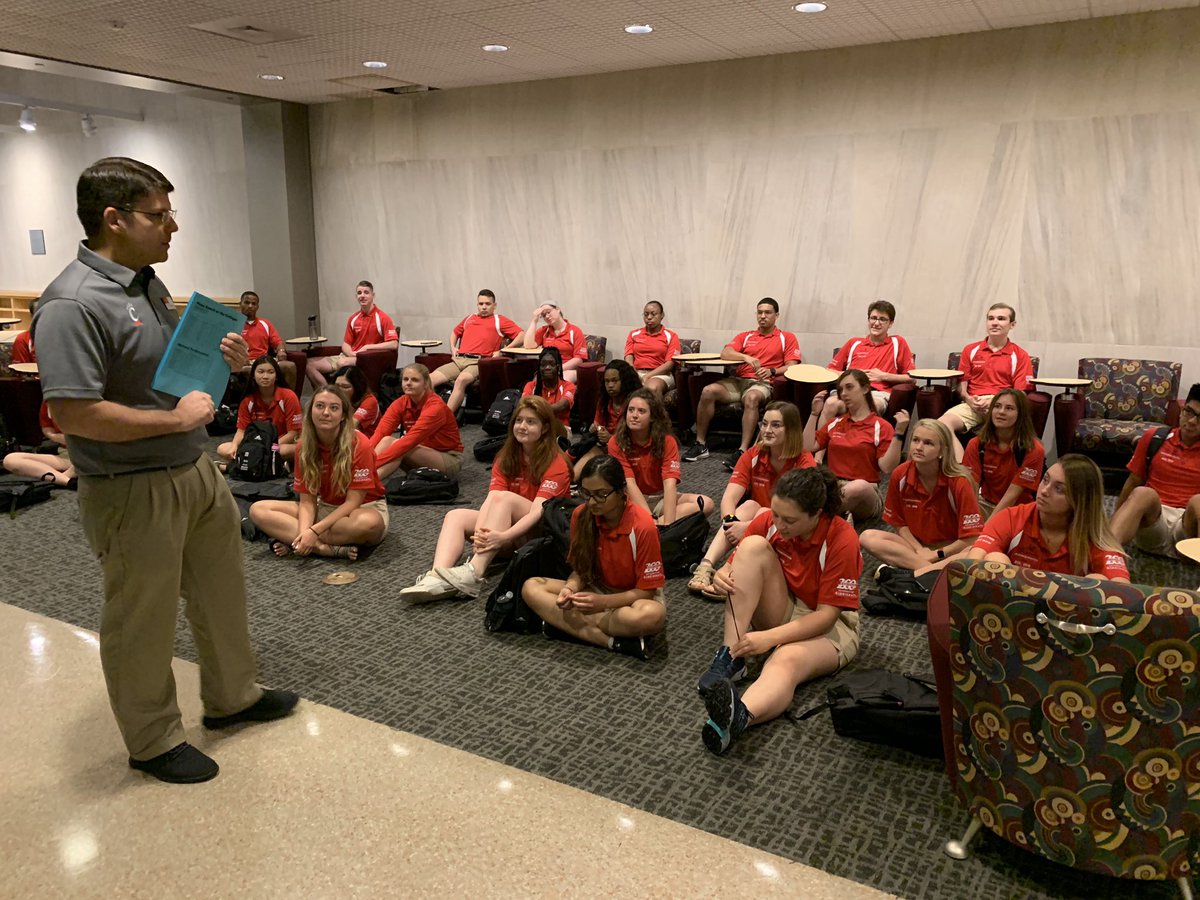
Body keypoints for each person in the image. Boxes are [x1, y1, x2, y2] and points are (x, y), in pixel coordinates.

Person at [32, 156, 296, 785]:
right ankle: (151, 739)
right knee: (141, 615)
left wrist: (224, 362)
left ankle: (233, 697)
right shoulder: (71, 303)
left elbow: (170, 379)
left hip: (193, 467)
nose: (173, 225)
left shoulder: (146, 283)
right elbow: (75, 414)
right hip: (131, 486)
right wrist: (176, 423)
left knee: (221, 591)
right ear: (113, 219)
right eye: (159, 214)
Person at [696, 466, 862, 755]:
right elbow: (737, 565)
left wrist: (769, 638)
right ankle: (731, 656)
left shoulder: (842, 538)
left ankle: (739, 718)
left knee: (785, 658)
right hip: (787, 603)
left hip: (832, 624)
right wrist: (724, 572)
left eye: (790, 520)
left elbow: (826, 616)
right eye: (775, 514)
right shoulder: (770, 520)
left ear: (817, 514)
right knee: (752, 546)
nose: (779, 524)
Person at [400, 396, 571, 603]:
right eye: (519, 420)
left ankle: (474, 571)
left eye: (531, 422)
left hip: (542, 535)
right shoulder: (506, 456)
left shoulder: (556, 462)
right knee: (456, 515)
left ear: (544, 428)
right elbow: (490, 500)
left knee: (505, 499)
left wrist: (503, 537)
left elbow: (538, 512)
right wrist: (482, 535)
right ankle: (437, 576)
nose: (522, 426)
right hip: (507, 530)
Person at [521, 455, 667, 660]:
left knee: (652, 615)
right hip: (595, 589)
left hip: (632, 597)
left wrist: (602, 602)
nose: (591, 502)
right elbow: (581, 570)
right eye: (586, 493)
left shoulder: (643, 526)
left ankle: (568, 626)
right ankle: (612, 641)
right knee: (531, 587)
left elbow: (647, 592)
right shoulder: (581, 515)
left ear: (621, 491)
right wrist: (569, 588)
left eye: (601, 494)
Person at [688, 401, 816, 597]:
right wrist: (731, 523)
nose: (767, 430)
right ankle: (706, 565)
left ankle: (733, 575)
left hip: (787, 529)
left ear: (790, 429)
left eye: (776, 425)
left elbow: (798, 515)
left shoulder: (804, 461)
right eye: (764, 424)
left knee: (764, 511)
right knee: (749, 505)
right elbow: (729, 497)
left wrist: (748, 527)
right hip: (756, 520)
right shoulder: (753, 455)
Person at [250, 385, 388, 560]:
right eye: (320, 406)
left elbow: (353, 502)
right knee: (258, 509)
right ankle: (322, 549)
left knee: (369, 524)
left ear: (344, 416)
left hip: (361, 508)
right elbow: (307, 501)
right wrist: (305, 532)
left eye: (334, 408)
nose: (326, 413)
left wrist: (313, 530)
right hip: (325, 507)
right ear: (310, 411)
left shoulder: (360, 443)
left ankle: (295, 540)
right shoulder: (303, 446)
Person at [966, 455, 1130, 582]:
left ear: (1079, 500)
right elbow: (974, 560)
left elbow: (1123, 591)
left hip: (1064, 615)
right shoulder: (1012, 517)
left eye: (1059, 489)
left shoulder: (1095, 536)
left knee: (1098, 581)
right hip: (1014, 606)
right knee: (994, 559)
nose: (1044, 491)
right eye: (1045, 480)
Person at [682, 298, 801, 471]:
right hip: (738, 382)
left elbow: (792, 365)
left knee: (751, 398)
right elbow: (726, 353)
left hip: (763, 383)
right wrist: (745, 357)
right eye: (759, 312)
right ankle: (700, 444)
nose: (762, 316)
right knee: (708, 390)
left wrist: (772, 371)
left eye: (767, 313)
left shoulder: (786, 338)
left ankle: (742, 450)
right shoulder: (746, 337)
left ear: (776, 315)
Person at [860, 419, 983, 576]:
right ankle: (933, 574)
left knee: (975, 553)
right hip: (915, 546)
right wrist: (920, 550)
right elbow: (899, 523)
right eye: (915, 440)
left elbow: (972, 537)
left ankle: (913, 574)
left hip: (951, 549)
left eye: (928, 443)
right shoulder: (900, 474)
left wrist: (938, 554)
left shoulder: (959, 481)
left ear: (942, 451)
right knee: (867, 537)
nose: (918, 447)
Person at [1109, 383, 1200, 556]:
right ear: (1182, 409)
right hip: (1154, 521)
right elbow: (1133, 481)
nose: (1192, 421)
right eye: (1189, 411)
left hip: (1188, 528)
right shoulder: (1156, 438)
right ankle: (1105, 555)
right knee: (1142, 493)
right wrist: (1117, 520)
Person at [806, 369, 907, 525]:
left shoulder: (881, 426)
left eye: (849, 387)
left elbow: (887, 467)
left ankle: (815, 517)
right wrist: (814, 414)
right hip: (834, 486)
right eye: (840, 389)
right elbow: (808, 446)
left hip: (866, 493)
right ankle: (834, 518)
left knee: (858, 487)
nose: (843, 393)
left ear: (866, 389)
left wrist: (899, 434)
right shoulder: (836, 422)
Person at [938, 303, 1034, 459]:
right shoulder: (971, 350)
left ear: (1012, 324)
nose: (994, 322)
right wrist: (969, 400)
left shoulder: (1020, 355)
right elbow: (962, 386)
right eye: (991, 318)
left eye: (1001, 319)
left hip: (1001, 407)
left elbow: (1020, 393)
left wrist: (994, 401)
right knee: (941, 425)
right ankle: (962, 471)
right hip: (973, 405)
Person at [608, 388, 711, 524]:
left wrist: (669, 525)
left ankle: (659, 527)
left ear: (652, 417)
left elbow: (669, 484)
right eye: (631, 410)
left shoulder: (667, 441)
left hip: (659, 498)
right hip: (630, 501)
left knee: (706, 503)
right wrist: (649, 520)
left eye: (641, 411)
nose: (634, 415)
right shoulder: (616, 442)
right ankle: (652, 525)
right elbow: (629, 484)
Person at [818, 300, 915, 428]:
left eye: (882, 319)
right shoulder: (854, 343)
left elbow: (912, 378)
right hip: (848, 391)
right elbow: (829, 370)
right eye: (873, 318)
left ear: (890, 323)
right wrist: (853, 376)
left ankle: (862, 446)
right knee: (830, 404)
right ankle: (819, 447)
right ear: (868, 320)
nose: (876, 323)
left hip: (877, 393)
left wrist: (883, 376)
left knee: (872, 406)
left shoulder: (898, 343)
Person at [432, 289, 524, 413]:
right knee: (428, 380)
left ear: (494, 305)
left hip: (477, 362)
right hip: (458, 360)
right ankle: (432, 412)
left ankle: (445, 417)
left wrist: (503, 350)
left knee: (461, 380)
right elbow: (455, 332)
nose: (484, 307)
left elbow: (521, 335)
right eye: (481, 304)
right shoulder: (469, 318)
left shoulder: (499, 320)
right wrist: (453, 347)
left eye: (487, 304)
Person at [962, 389, 1045, 519]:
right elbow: (971, 488)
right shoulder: (977, 444)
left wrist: (987, 529)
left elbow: (1011, 497)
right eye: (997, 406)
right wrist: (973, 521)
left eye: (1009, 408)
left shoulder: (1034, 449)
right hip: (984, 503)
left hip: (1017, 509)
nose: (1001, 412)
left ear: (1021, 415)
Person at [371, 363, 464, 480]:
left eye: (414, 380)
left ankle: (366, 485)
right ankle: (363, 482)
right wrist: (360, 465)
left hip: (448, 458)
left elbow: (408, 442)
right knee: (386, 440)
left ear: (425, 384)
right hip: (419, 452)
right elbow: (380, 433)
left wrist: (370, 467)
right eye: (405, 379)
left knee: (398, 446)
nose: (408, 383)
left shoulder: (436, 407)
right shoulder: (400, 403)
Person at [306, 281, 399, 388]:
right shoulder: (353, 318)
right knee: (309, 365)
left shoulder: (382, 317)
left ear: (373, 295)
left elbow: (393, 344)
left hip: (368, 359)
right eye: (359, 293)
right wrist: (351, 354)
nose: (362, 296)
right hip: (350, 356)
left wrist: (367, 348)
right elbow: (346, 344)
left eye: (366, 292)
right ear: (356, 296)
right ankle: (328, 393)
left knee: (342, 363)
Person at [216, 355, 301, 464]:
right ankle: (267, 463)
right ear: (253, 376)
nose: (265, 376)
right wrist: (234, 445)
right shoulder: (247, 401)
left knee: (294, 449)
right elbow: (241, 431)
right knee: (223, 449)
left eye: (270, 372)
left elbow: (293, 433)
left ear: (277, 376)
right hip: (256, 444)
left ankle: (244, 463)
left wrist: (267, 446)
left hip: (279, 444)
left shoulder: (289, 396)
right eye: (260, 372)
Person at [573, 359, 640, 480]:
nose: (610, 385)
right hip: (604, 447)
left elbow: (637, 438)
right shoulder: (604, 402)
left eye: (615, 381)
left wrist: (611, 439)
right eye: (607, 381)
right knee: (577, 471)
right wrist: (596, 428)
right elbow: (598, 424)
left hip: (629, 451)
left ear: (624, 381)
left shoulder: (635, 403)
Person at [1, 401, 76, 488]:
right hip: (66, 455)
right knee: (10, 460)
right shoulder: (49, 401)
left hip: (88, 453)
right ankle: (67, 480)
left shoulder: (87, 397)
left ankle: (61, 478)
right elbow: (48, 430)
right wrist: (63, 439)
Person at [237, 290, 296, 389]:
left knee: (290, 366)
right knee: (248, 371)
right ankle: (251, 403)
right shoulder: (235, 324)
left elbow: (278, 342)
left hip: (264, 360)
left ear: (257, 307)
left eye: (253, 303)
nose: (250, 306)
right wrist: (240, 359)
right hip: (245, 363)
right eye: (247, 303)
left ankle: (289, 400)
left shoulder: (265, 323)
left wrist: (281, 351)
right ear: (240, 304)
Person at [624, 301, 681, 401]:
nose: (649, 317)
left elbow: (670, 364)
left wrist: (647, 376)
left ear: (662, 315)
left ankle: (656, 416)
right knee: (618, 385)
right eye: (646, 314)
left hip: (661, 374)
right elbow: (628, 355)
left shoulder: (671, 336)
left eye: (653, 314)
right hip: (636, 372)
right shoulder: (634, 334)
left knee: (651, 388)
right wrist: (633, 372)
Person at [522, 303, 587, 382]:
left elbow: (578, 359)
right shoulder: (545, 331)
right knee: (534, 384)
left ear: (558, 309)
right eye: (543, 315)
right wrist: (534, 320)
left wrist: (558, 368)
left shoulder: (574, 331)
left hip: (568, 370)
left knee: (560, 380)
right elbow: (528, 345)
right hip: (548, 368)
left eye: (548, 312)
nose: (546, 316)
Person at [522, 347, 576, 431]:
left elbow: (560, 407)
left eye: (551, 364)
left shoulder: (569, 386)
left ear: (558, 366)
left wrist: (535, 408)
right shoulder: (530, 386)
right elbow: (523, 405)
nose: (547, 367)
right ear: (539, 368)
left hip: (560, 429)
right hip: (534, 428)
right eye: (543, 364)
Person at [333, 364, 380, 438]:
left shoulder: (370, 401)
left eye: (345, 387)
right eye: (337, 386)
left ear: (357, 387)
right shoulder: (335, 397)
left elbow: (351, 426)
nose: (339, 390)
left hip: (366, 443)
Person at [10, 299, 37, 366]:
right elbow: (21, 370)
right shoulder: (22, 339)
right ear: (32, 316)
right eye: (38, 314)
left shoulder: (62, 337)